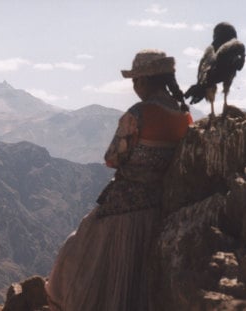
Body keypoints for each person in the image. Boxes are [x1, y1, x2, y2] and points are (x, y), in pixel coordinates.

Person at [45, 50, 193, 311]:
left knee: (77, 249)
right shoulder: (184, 116)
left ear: (145, 81)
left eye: (136, 80)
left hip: (123, 204)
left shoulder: (139, 113)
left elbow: (113, 158)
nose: (135, 87)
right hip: (157, 203)